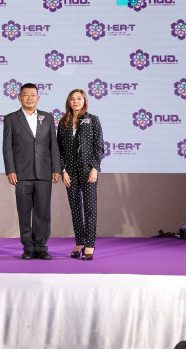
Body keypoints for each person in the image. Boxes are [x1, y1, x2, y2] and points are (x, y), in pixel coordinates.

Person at [2, 83, 60, 260]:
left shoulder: (47, 117)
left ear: (38, 97)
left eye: (32, 95)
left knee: (43, 212)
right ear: (19, 97)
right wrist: (10, 170)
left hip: (44, 172)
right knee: (24, 212)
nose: (29, 98)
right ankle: (28, 247)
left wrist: (56, 168)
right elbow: (7, 147)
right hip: (21, 173)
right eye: (25, 95)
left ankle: (41, 247)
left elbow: (53, 145)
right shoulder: (11, 118)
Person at [57, 89, 105, 261]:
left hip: (88, 169)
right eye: (72, 99)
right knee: (75, 208)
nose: (76, 101)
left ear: (84, 101)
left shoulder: (93, 119)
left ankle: (89, 245)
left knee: (90, 208)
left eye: (79, 98)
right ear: (68, 102)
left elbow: (99, 146)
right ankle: (79, 242)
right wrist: (63, 171)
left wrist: (94, 168)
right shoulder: (63, 122)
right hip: (70, 171)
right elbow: (58, 149)